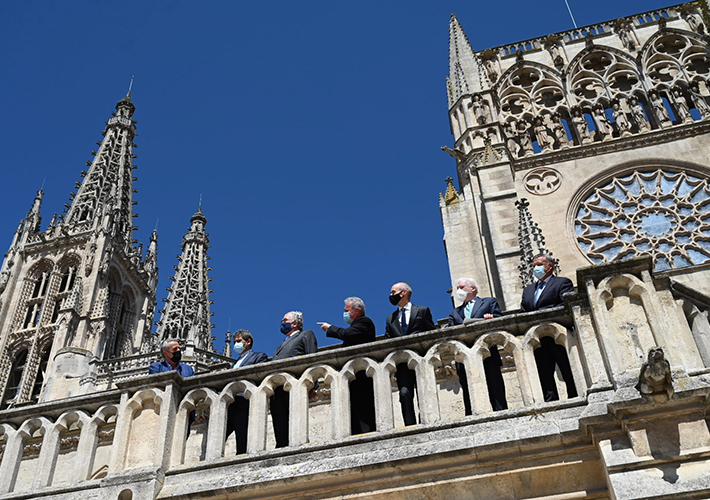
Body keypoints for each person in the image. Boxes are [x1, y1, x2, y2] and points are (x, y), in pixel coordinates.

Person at [520, 253, 577, 402]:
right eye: (534, 266)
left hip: (559, 336)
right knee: (544, 376)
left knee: (568, 371)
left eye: (539, 265)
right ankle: (551, 402)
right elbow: (523, 313)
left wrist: (541, 312)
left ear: (549, 266)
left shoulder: (562, 283)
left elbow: (565, 305)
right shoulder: (528, 291)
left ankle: (574, 398)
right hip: (538, 340)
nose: (535, 268)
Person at [318, 297, 376, 435]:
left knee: (363, 412)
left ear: (357, 310)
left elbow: (346, 334)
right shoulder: (357, 325)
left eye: (346, 310)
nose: (344, 314)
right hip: (353, 378)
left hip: (362, 376)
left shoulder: (364, 322)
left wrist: (330, 328)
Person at [448, 277, 505, 414]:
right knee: (469, 392)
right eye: (457, 288)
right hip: (465, 358)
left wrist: (490, 320)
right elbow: (451, 334)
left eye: (461, 287)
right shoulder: (454, 312)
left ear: (472, 288)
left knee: (495, 388)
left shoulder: (489, 302)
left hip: (488, 354)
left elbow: (500, 322)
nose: (459, 291)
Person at [384, 282, 436, 426]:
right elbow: (387, 341)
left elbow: (432, 335)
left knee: (424, 393)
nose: (391, 295)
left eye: (393, 292)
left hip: (421, 361)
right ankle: (410, 425)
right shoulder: (390, 318)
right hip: (402, 365)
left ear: (404, 292)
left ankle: (427, 422)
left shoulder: (422, 311)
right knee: (405, 394)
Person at [271, 311, 318, 448]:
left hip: (294, 385)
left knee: (294, 422)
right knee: (279, 422)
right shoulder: (282, 343)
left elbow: (312, 358)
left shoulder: (305, 334)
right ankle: (281, 447)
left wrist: (313, 386)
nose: (282, 322)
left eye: (285, 320)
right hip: (278, 389)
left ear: (295, 323)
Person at [226, 330, 268, 454]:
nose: (236, 345)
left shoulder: (259, 356)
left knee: (242, 436)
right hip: (230, 403)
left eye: (239, 341)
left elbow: (259, 375)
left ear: (248, 341)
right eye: (234, 342)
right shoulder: (235, 363)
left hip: (244, 402)